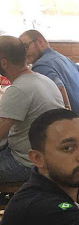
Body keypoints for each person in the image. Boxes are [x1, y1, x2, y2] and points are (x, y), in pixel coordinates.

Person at [0, 35, 64, 183]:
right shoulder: (43, 79)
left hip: (26, 163)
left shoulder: (19, 89)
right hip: (48, 157)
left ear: (4, 63)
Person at [19, 29, 79, 117]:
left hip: (71, 122)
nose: (24, 53)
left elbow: (60, 88)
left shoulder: (41, 66)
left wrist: (68, 118)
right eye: (21, 50)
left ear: (40, 41)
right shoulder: (62, 57)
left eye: (26, 46)